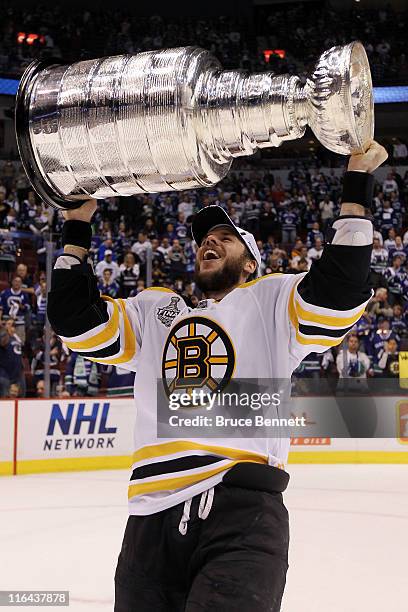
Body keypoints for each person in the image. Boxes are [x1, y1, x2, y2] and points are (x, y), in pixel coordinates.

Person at [47, 141, 387, 612]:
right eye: (205, 238)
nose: (209, 241)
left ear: (250, 262)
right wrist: (77, 225)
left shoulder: (271, 303)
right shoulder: (153, 312)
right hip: (150, 521)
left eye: (225, 238)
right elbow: (73, 320)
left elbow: (340, 289)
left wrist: (355, 187)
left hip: (241, 512)